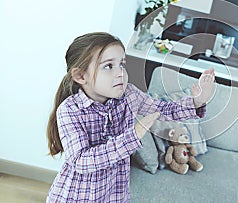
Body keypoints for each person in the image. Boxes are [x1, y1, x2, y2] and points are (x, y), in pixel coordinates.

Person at [46, 32, 215, 202]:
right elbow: (82, 161)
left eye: (122, 64)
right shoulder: (70, 111)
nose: (120, 72)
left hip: (113, 195)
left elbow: (164, 109)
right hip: (75, 197)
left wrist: (197, 102)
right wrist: (132, 136)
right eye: (108, 66)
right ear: (81, 76)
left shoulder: (129, 95)